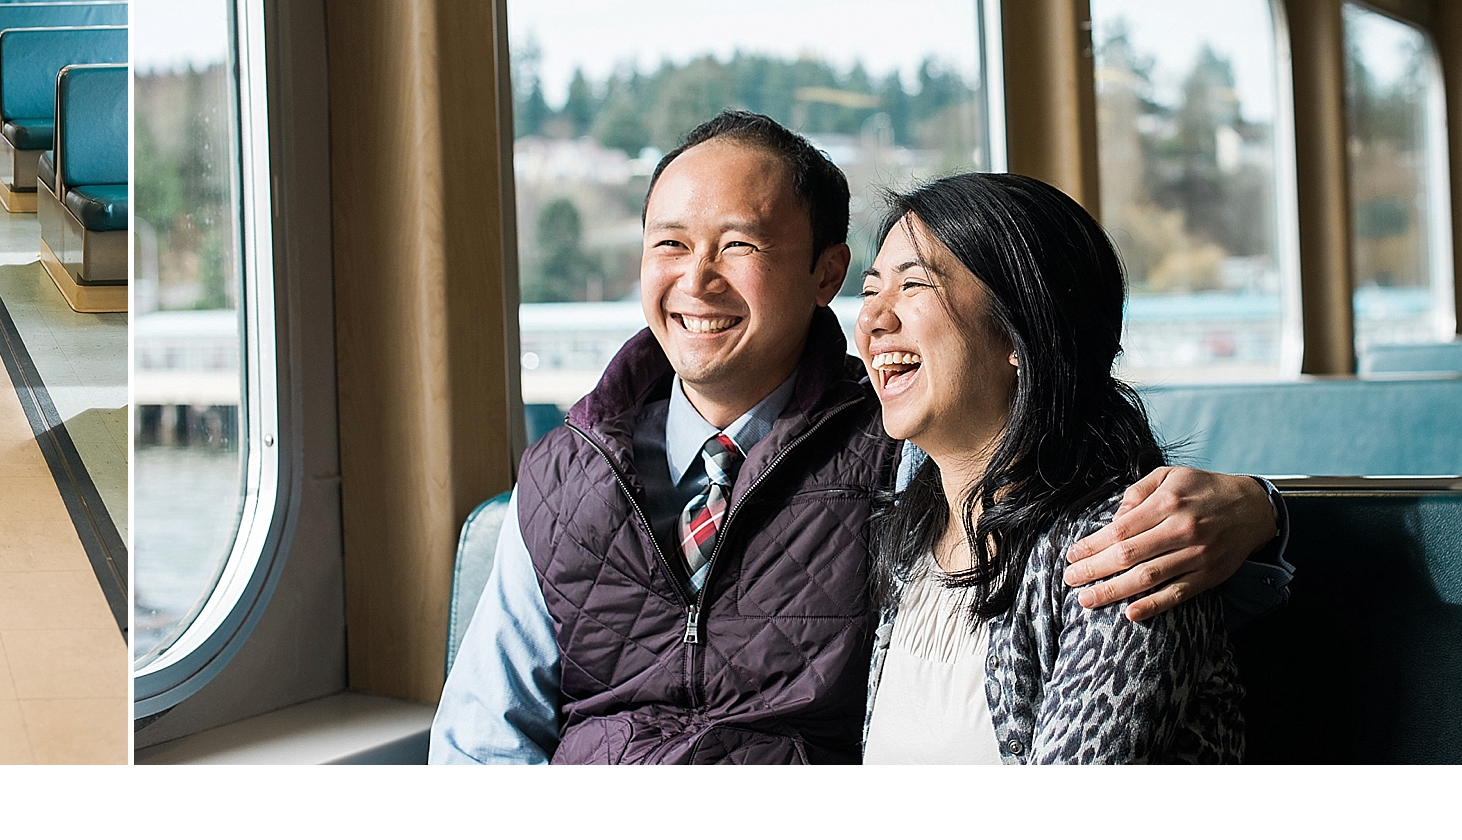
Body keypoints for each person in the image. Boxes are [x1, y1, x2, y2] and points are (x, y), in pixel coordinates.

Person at [431, 111, 1287, 764]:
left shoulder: (901, 456)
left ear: (822, 274)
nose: (695, 278)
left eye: (737, 245)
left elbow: (1070, 506)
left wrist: (1261, 511)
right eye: (668, 244)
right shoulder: (559, 474)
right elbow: (479, 744)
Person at [859, 172, 1241, 763]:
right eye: (869, 291)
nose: (873, 321)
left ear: (1020, 333)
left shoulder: (1121, 552)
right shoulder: (908, 534)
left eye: (912, 286)